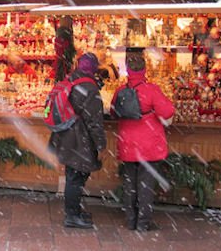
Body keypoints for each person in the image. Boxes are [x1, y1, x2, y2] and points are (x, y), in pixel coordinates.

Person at [110, 53, 174, 232]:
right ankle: (143, 222)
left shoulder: (120, 91)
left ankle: (131, 220)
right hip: (148, 146)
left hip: (128, 144)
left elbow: (114, 112)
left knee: (130, 183)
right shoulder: (151, 89)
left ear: (127, 70)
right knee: (145, 185)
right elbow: (167, 111)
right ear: (145, 69)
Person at [48, 52, 107, 229]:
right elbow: (94, 121)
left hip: (65, 136)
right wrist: (101, 145)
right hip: (79, 138)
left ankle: (74, 211)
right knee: (76, 177)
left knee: (73, 175)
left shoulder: (69, 80)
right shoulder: (89, 88)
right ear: (93, 68)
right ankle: (72, 215)